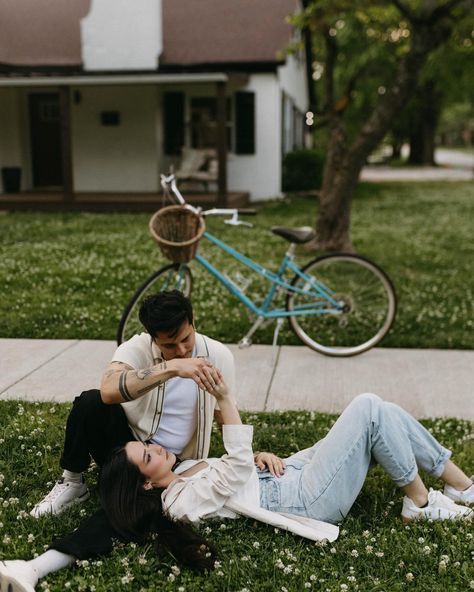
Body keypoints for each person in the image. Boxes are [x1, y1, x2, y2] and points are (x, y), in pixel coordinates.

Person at [2, 381, 472, 590]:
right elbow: (235, 465)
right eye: (149, 456)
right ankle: (419, 501)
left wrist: (267, 459)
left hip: (290, 474)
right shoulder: (180, 501)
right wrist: (225, 401)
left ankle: (462, 488)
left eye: (148, 445)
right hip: (305, 499)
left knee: (383, 411)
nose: (159, 449)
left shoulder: (187, 469)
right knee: (368, 405)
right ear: (146, 485)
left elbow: (239, 468)